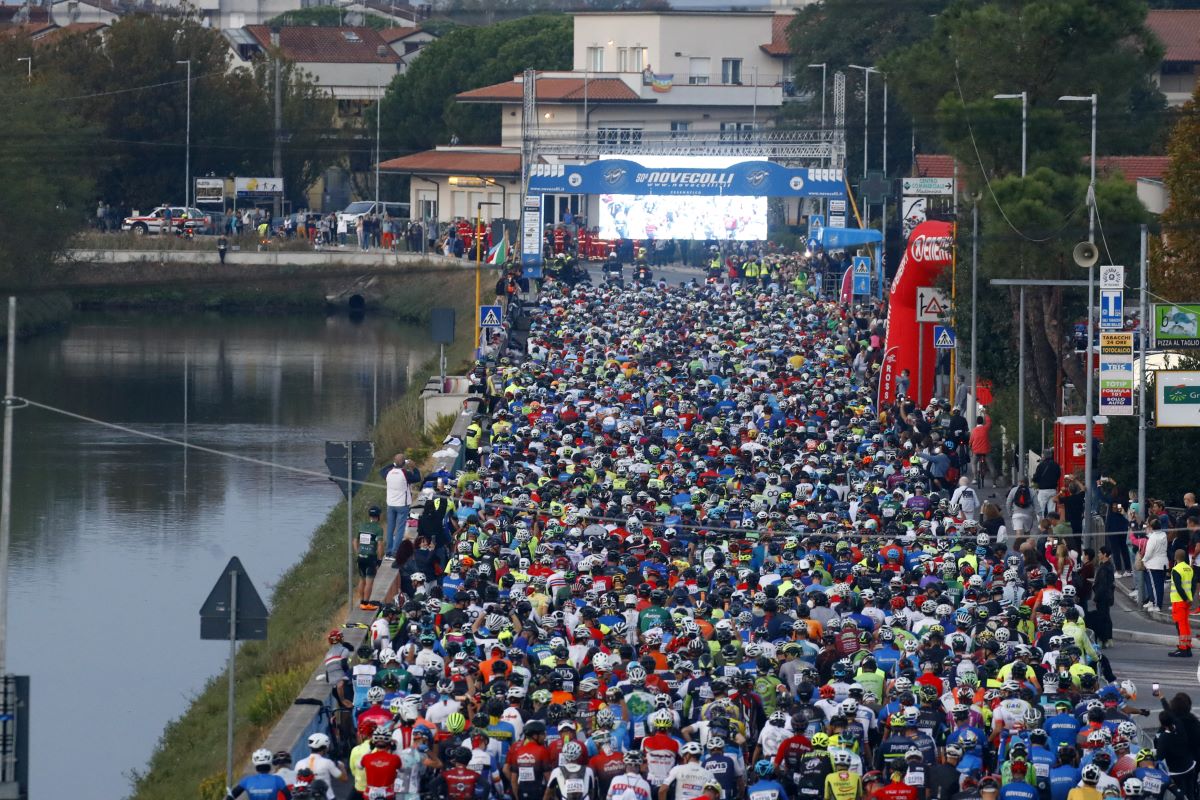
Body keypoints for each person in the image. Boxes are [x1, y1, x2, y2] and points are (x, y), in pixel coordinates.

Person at [381, 453, 412, 560]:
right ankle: (395, 552)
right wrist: (414, 467)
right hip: (402, 505)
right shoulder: (405, 473)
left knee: (390, 528)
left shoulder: (388, 473)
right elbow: (417, 477)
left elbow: (382, 470)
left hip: (390, 504)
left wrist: (394, 463)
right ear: (404, 463)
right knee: (400, 529)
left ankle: (388, 552)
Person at [356, 506, 385, 610]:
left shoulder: (362, 526)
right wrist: (380, 559)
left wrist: (358, 552)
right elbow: (380, 545)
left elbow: (355, 541)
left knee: (361, 580)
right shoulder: (378, 529)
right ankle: (365, 603)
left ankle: (361, 601)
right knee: (369, 582)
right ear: (378, 516)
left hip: (360, 557)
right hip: (370, 558)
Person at [1168, 549, 1194, 657]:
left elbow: (1178, 587)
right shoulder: (1189, 569)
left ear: (1175, 557)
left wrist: (1185, 598)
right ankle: (1187, 647)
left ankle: (1183, 649)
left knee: (1180, 625)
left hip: (1179, 601)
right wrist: (1189, 598)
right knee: (1186, 625)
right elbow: (1191, 585)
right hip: (1187, 601)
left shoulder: (1176, 569)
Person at [1090, 546, 1116, 647]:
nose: (1098, 555)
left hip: (1103, 597)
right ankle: (1109, 638)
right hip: (1108, 596)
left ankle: (1103, 639)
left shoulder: (1104, 568)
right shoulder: (1109, 566)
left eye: (1100, 553)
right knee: (1106, 617)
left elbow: (1102, 585)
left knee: (1102, 618)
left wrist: (1096, 598)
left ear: (1105, 554)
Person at [1142, 519, 1169, 612]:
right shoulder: (1164, 535)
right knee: (1160, 585)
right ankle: (1158, 604)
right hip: (1164, 563)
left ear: (1152, 527)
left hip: (1154, 565)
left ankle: (1156, 605)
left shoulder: (1152, 538)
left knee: (1154, 586)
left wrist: (1144, 560)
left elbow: (1149, 552)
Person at [1033, 450, 1062, 519]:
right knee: (1051, 510)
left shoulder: (1040, 465)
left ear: (1043, 456)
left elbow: (1035, 478)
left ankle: (1042, 526)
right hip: (1053, 490)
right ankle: (1051, 525)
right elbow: (1059, 475)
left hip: (1043, 491)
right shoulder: (1056, 465)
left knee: (1041, 510)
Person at [970, 412, 994, 488]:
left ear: (976, 422)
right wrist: (986, 414)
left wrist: (970, 446)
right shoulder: (986, 428)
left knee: (973, 463)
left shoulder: (974, 430)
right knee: (991, 466)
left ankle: (975, 478)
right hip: (986, 450)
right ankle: (994, 483)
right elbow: (989, 422)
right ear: (982, 422)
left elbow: (971, 441)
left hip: (976, 451)